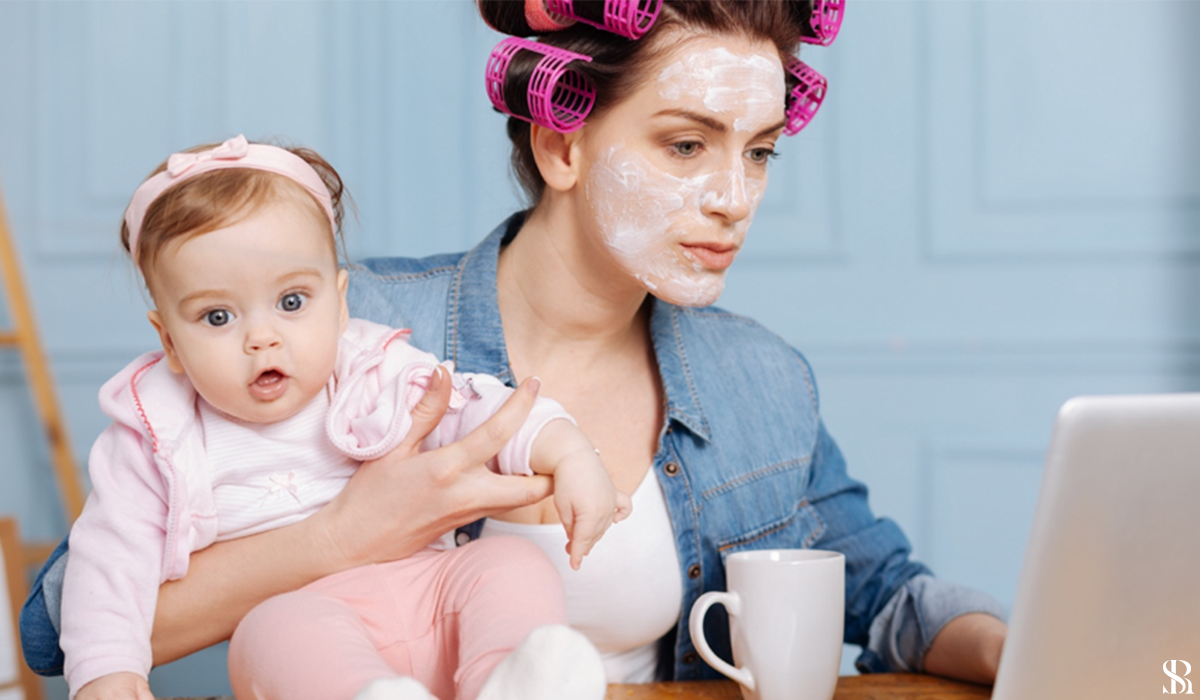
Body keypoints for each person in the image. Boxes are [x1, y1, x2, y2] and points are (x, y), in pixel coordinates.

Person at [23, 0, 1008, 689]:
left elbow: (886, 595)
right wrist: (343, 536)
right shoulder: (345, 333)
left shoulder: (757, 380)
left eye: (757, 152)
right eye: (684, 144)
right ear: (564, 143)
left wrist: (1022, 652)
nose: (734, 197)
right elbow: (59, 625)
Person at [58, 135, 627, 700]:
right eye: (217, 316)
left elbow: (480, 406)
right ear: (170, 343)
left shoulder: (373, 371)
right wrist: (107, 671)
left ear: (339, 304)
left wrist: (569, 450)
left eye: (291, 302)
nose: (262, 339)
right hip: (308, 614)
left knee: (511, 563)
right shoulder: (155, 437)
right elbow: (105, 563)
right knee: (267, 634)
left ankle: (509, 682)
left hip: (434, 590)